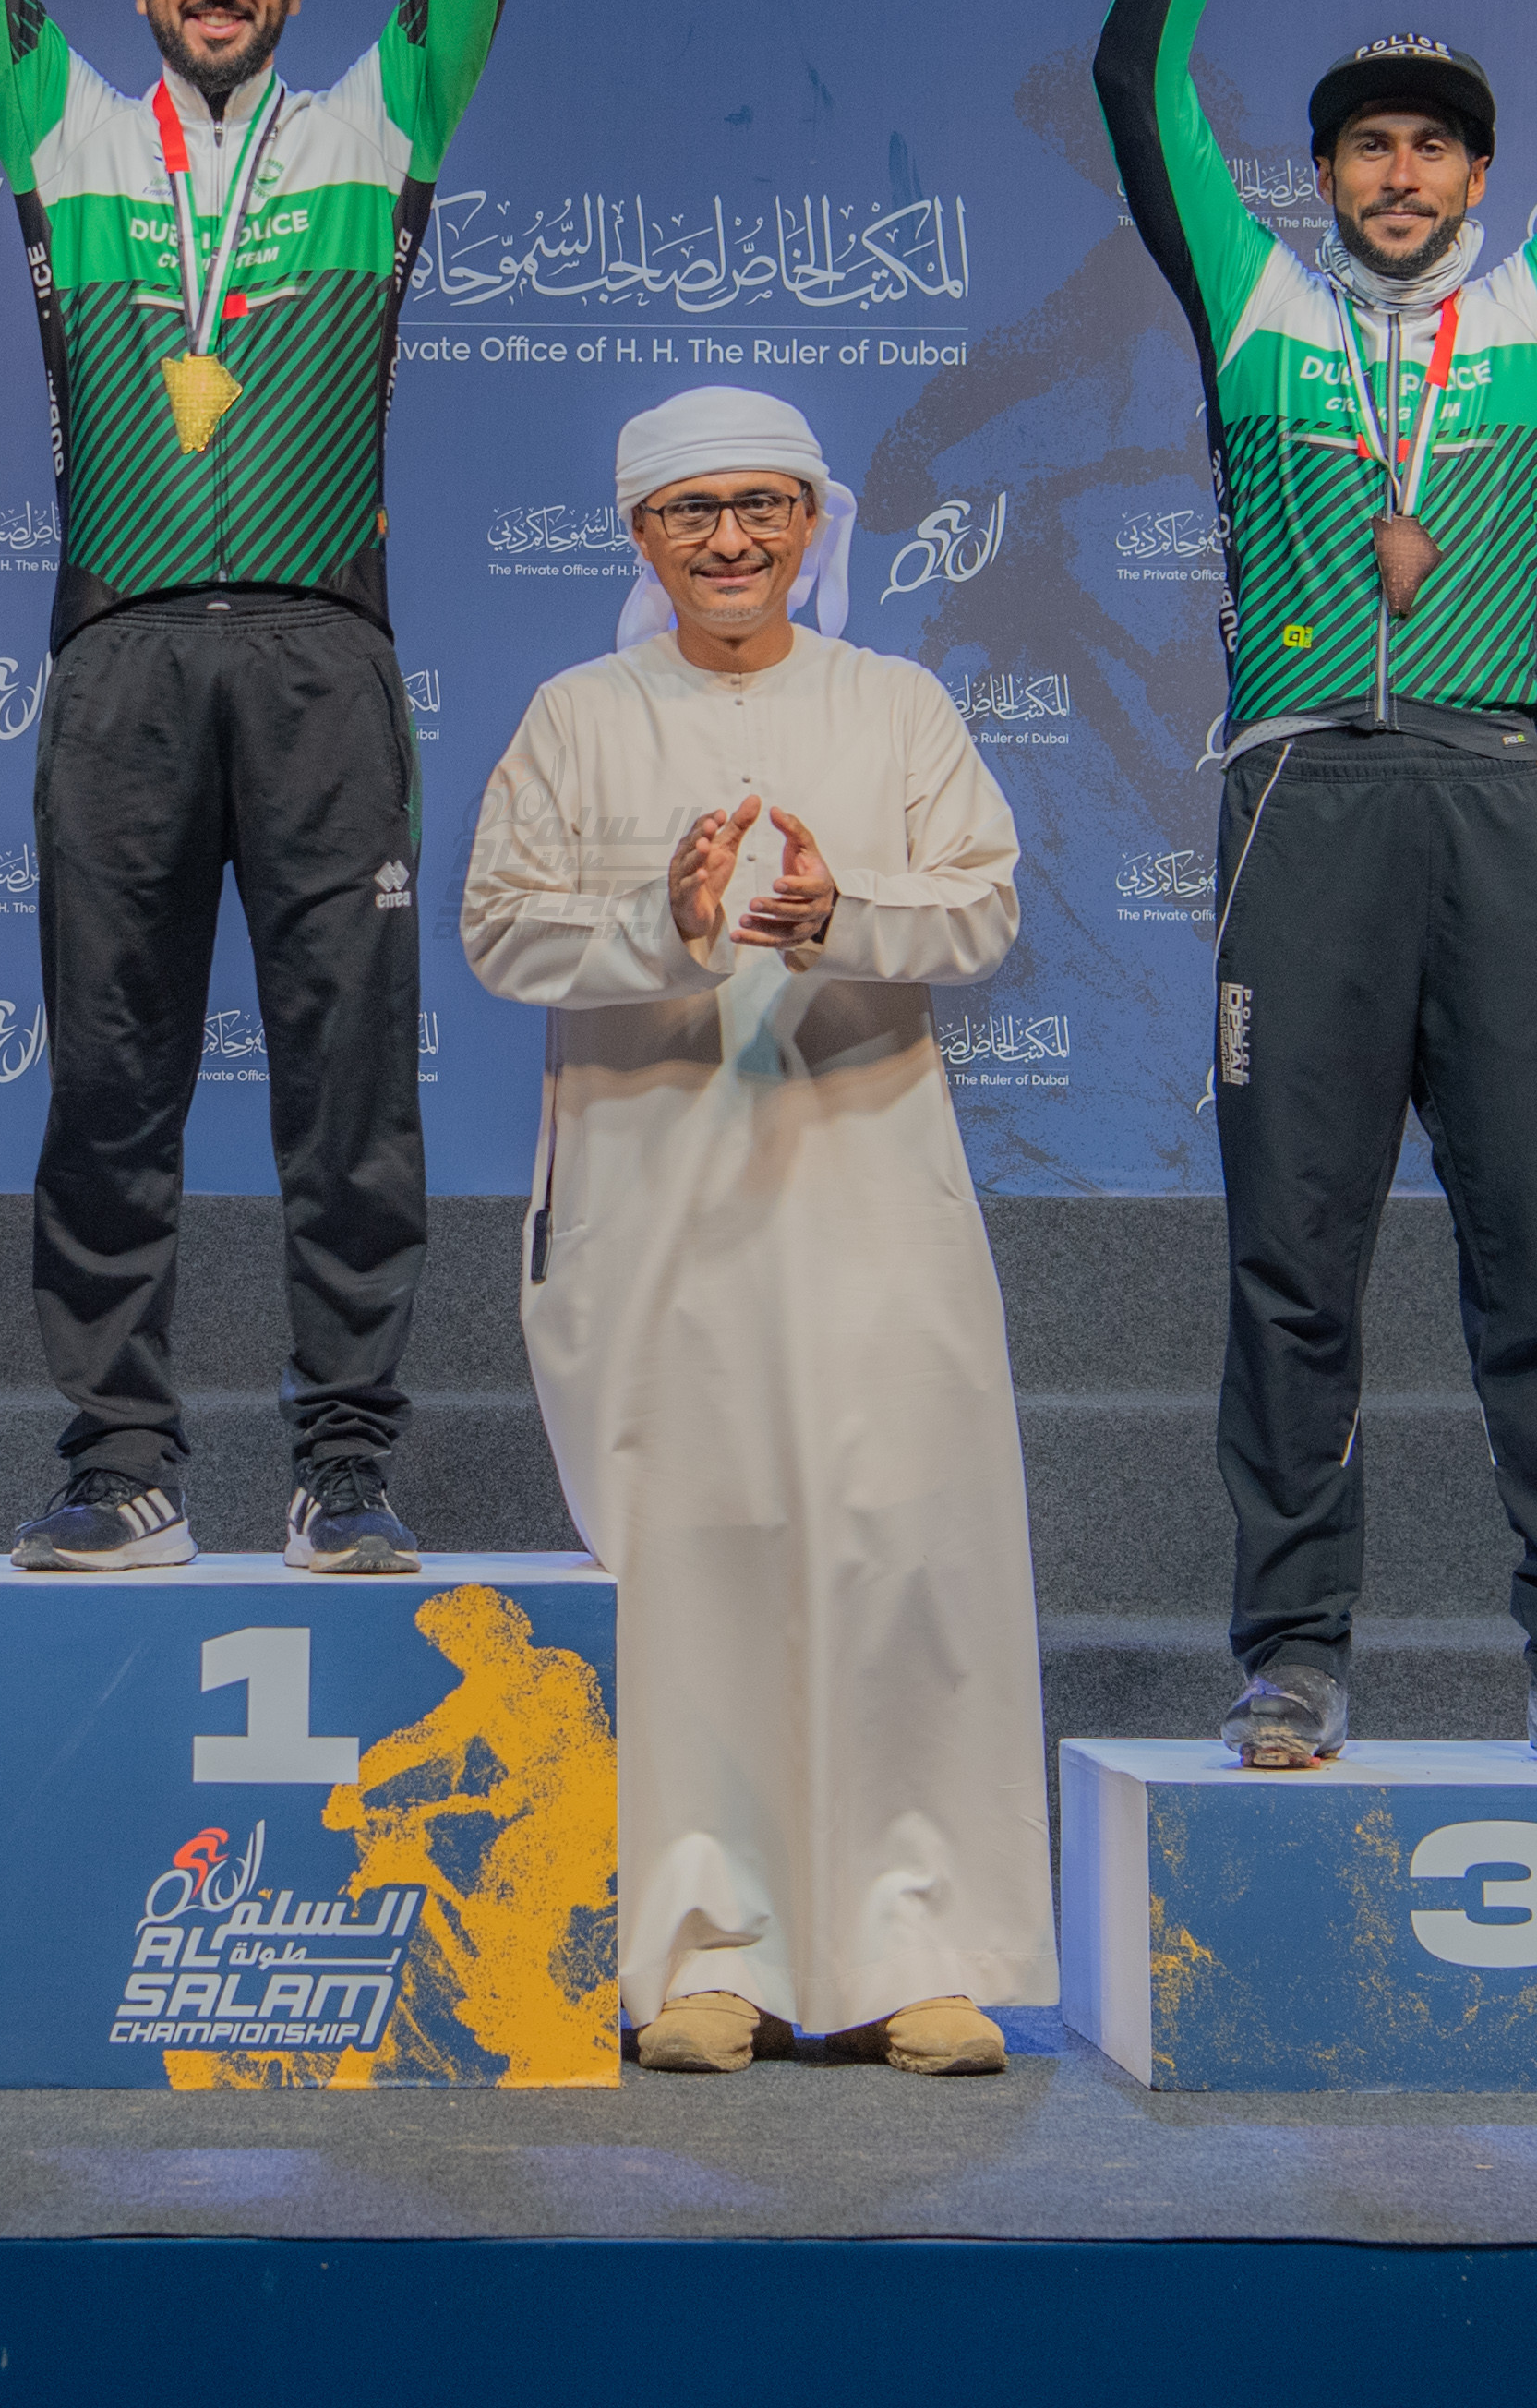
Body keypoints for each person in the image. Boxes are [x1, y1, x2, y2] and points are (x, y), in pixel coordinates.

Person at [1092, 0, 1537, 1773]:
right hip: (1300, 800)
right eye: (1365, 140)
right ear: (1321, 169)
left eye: (1432, 141)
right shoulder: (1251, 303)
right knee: (1293, 1262)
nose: (1396, 168)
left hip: (1487, 793)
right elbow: (1133, 73)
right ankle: (1291, 1649)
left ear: (1478, 174)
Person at [0, 0, 522, 1578]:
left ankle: (343, 1464)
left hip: (324, 659)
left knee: (349, 1080)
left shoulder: (378, 125)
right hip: (118, 664)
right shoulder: (62, 130)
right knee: (109, 1075)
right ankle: (122, 1464)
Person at [460, 388, 1051, 2077]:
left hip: (867, 1203)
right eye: (691, 511)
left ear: (812, 523)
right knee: (690, 1572)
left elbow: (984, 899)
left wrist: (839, 911)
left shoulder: (893, 703)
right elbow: (499, 931)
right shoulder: (575, 716)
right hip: (657, 1218)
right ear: (640, 536)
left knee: (898, 1555)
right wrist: (661, 921)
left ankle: (909, 1947)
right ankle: (696, 1950)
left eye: (762, 506)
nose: (729, 540)